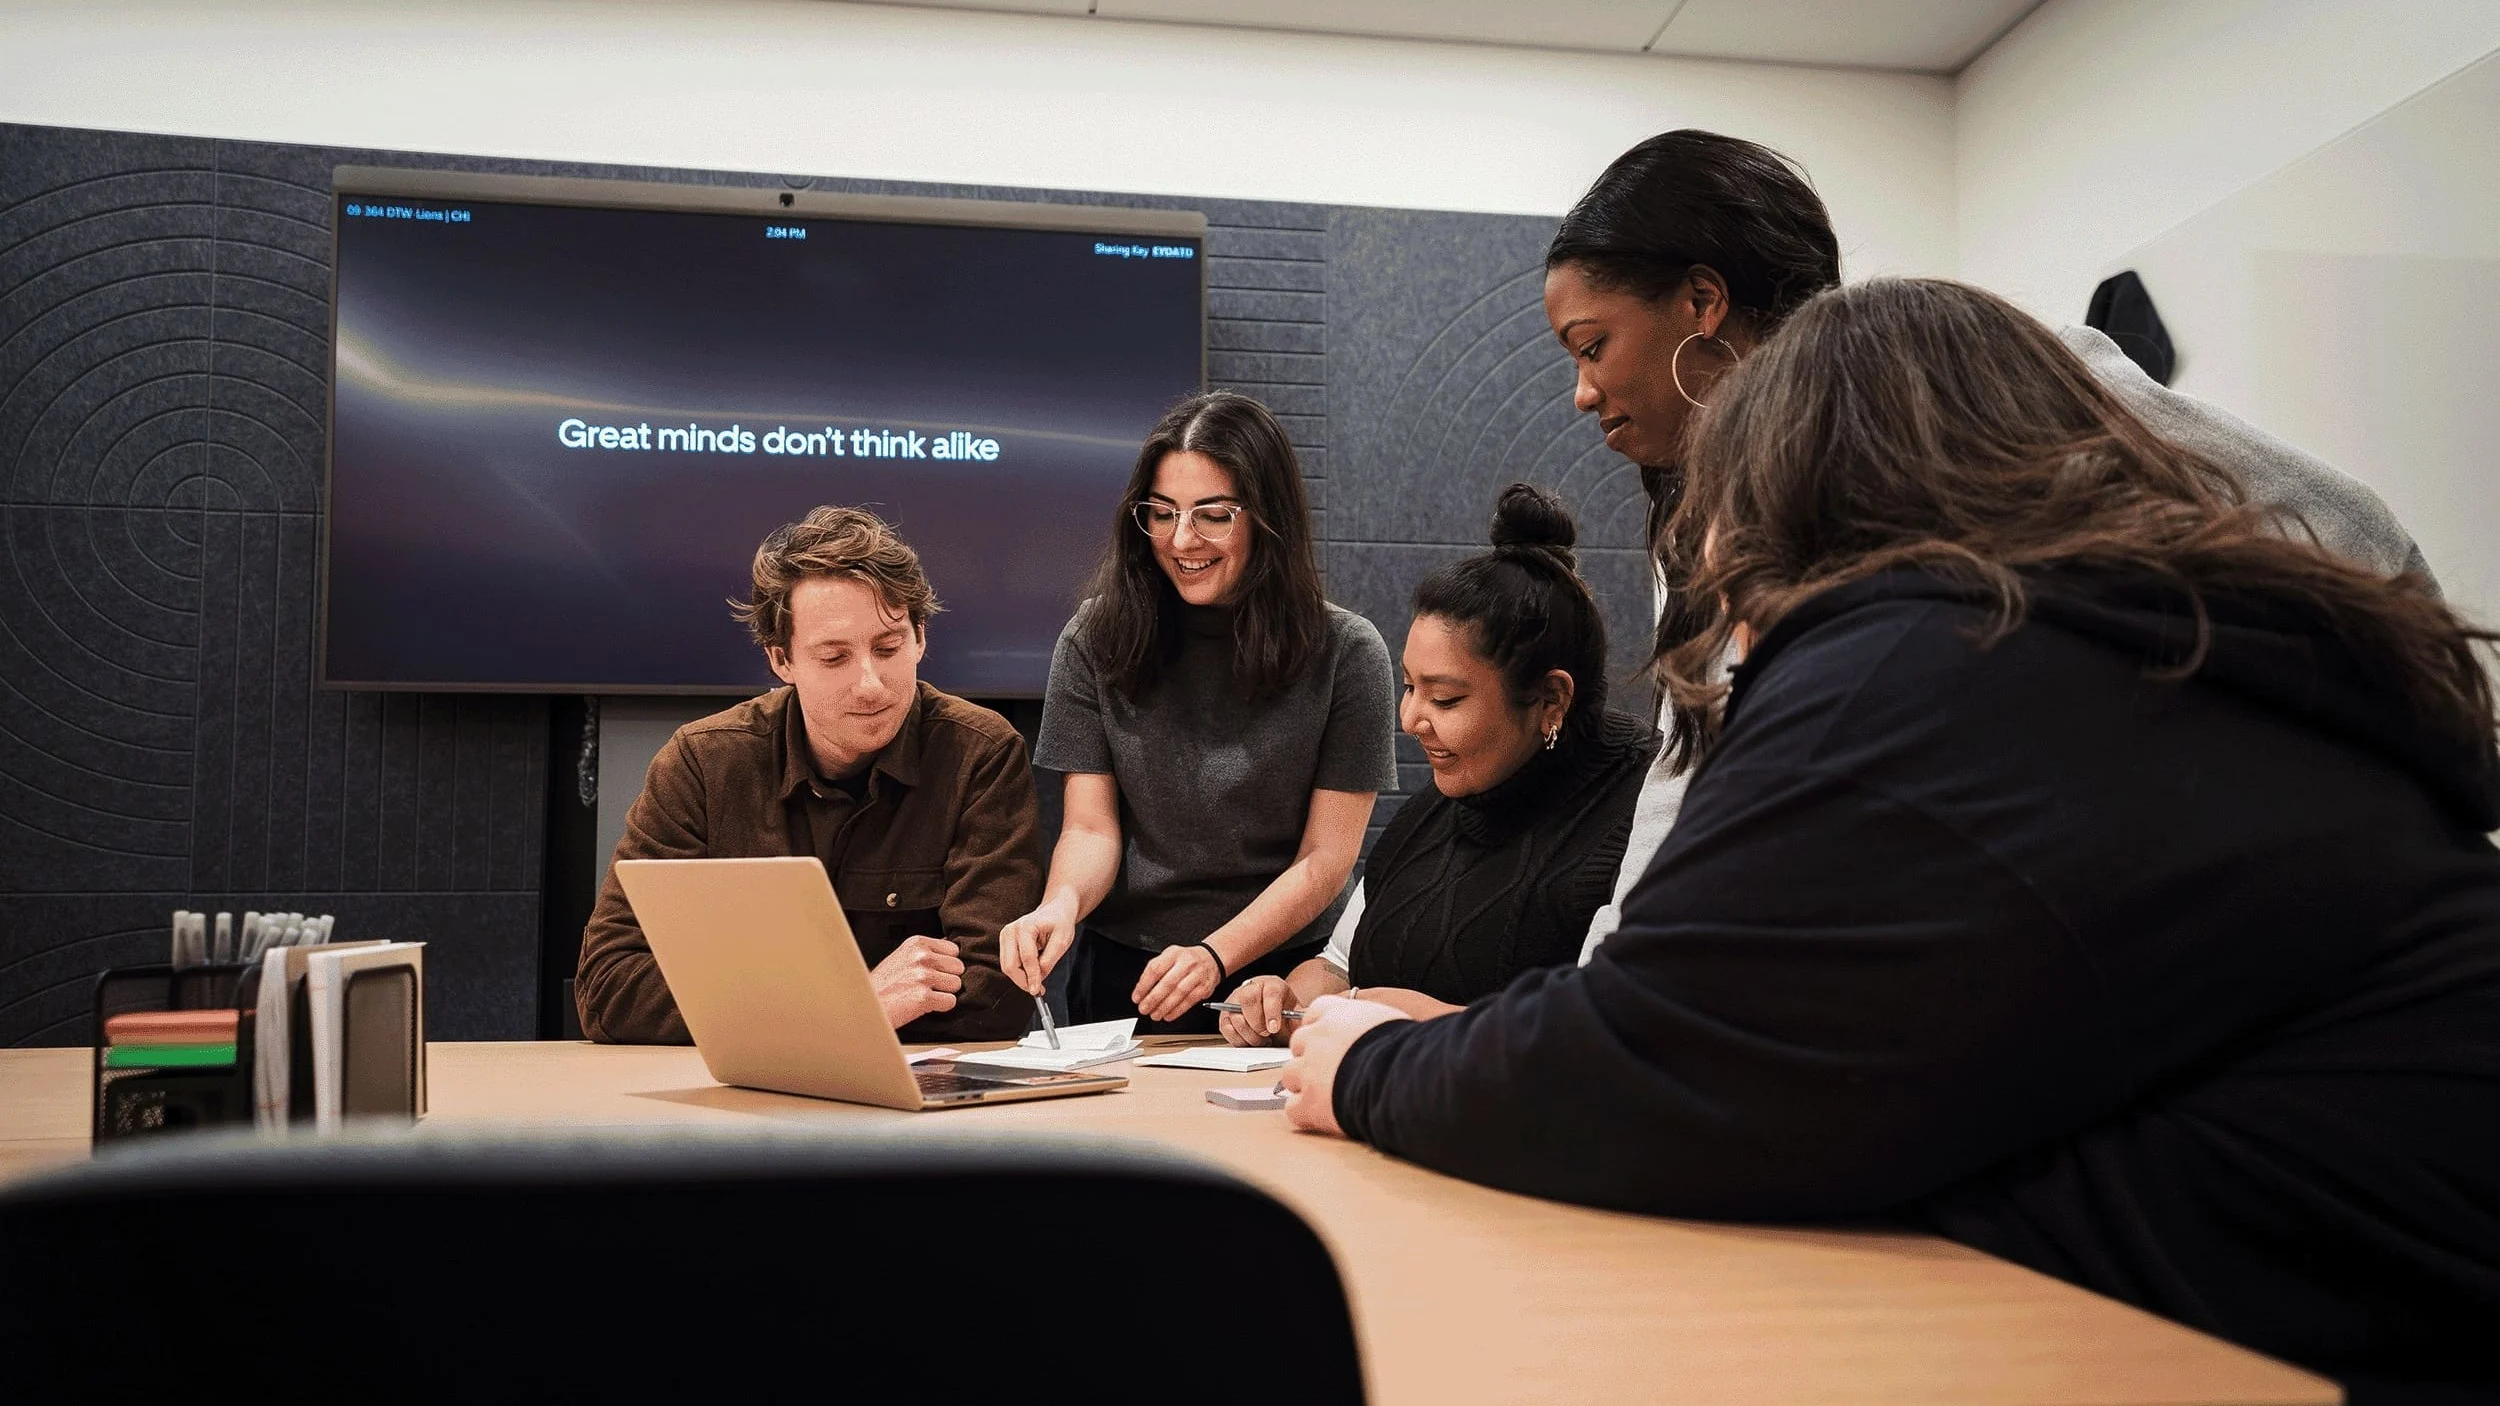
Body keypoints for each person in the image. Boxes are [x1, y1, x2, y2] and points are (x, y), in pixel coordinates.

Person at [1284, 279, 2500, 1396]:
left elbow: (1658, 1056)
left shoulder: (1934, 656)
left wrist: (1371, 1068)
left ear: (1792, 484)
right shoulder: (2137, 649)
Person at [1540, 128, 2440, 967]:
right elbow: (1685, 788)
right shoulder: (1704, 528)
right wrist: (1601, 991)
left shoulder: (1990, 382)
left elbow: (2355, 538)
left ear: (1703, 301)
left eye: (1593, 346)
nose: (1583, 392)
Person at [1000, 392, 1398, 1033]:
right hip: (1125, 972)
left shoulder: (1347, 653)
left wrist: (1216, 956)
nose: (1182, 540)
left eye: (1213, 516)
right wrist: (1061, 904)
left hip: (1279, 975)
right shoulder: (1096, 638)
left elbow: (1326, 859)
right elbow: (1091, 830)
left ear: (1268, 518)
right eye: (1161, 514)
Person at [576, 506, 1041, 1043]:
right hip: (749, 1088)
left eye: (888, 648)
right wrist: (852, 1006)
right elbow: (609, 986)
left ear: (920, 637)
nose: (870, 684)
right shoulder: (704, 763)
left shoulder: (980, 754)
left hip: (917, 1089)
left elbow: (997, 994)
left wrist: (761, 1011)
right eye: (834, 657)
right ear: (782, 660)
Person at [1218, 484, 1658, 1045]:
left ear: (1551, 700)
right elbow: (1337, 967)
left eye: (1445, 699)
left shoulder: (1648, 812)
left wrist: (1420, 1022)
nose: (1410, 720)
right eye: (1409, 687)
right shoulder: (1436, 808)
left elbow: (1617, 1033)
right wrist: (1281, 1000)